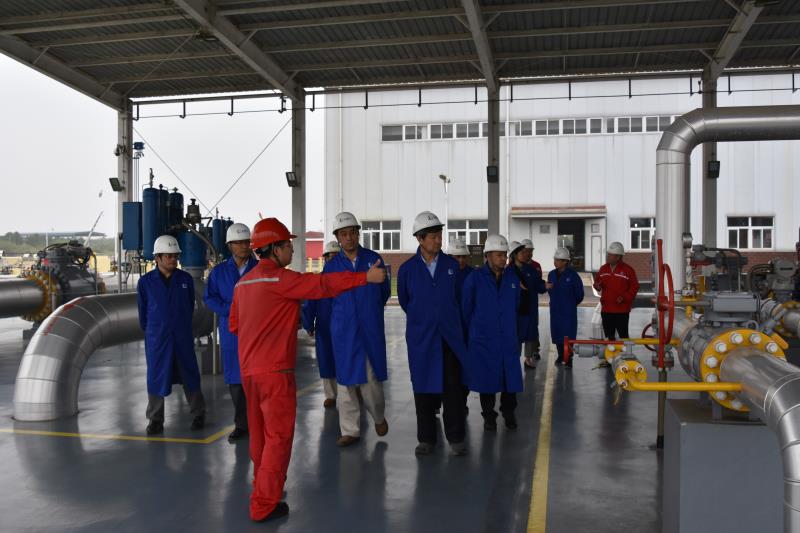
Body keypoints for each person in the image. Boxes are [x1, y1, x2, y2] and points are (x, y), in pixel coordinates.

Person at [229, 217, 386, 522]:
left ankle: (262, 485)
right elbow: (323, 285)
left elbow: (235, 325)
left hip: (249, 372)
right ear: (274, 249)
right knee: (278, 437)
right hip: (275, 372)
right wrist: (364, 278)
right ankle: (264, 504)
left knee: (259, 435)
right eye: (287, 245)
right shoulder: (281, 280)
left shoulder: (242, 283)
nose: (292, 249)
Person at [398, 212, 468, 456]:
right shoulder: (407, 270)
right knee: (423, 388)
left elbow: (459, 299)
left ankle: (456, 438)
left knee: (453, 389)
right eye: (433, 237)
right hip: (422, 338)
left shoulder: (452, 266)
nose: (438, 241)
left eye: (440, 235)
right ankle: (426, 439)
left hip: (449, 338)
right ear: (420, 239)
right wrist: (425, 318)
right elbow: (406, 301)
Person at [325, 211, 392, 447]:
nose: (349, 237)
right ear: (337, 237)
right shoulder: (331, 267)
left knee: (371, 380)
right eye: (343, 234)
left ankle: (378, 416)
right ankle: (350, 430)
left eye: (352, 232)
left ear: (358, 234)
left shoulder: (373, 259)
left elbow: (384, 292)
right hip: (344, 331)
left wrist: (369, 310)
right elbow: (327, 298)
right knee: (345, 383)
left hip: (368, 329)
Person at [137, 234, 206, 435]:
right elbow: (143, 313)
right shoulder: (146, 282)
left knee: (189, 373)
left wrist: (181, 326)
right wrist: (156, 331)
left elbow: (189, 306)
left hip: (182, 336)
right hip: (157, 338)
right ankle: (155, 419)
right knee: (156, 376)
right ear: (157, 257)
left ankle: (199, 414)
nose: (173, 259)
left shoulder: (185, 279)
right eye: (168, 256)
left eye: (175, 255)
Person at [203, 223, 258, 442]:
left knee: (256, 378)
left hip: (256, 331)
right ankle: (242, 424)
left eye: (246, 242)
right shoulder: (219, 272)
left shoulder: (260, 269)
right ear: (229, 246)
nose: (244, 246)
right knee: (235, 380)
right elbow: (209, 298)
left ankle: (258, 422)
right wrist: (231, 310)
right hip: (230, 332)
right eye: (238, 243)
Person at [461, 234, 522, 431]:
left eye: (504, 255)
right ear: (487, 255)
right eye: (498, 255)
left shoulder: (512, 279)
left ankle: (509, 412)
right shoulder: (475, 279)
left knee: (509, 378)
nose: (503, 259)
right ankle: (489, 416)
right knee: (486, 380)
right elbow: (466, 309)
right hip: (484, 340)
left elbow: (516, 304)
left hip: (507, 338)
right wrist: (478, 329)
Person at [301, 240, 342, 408]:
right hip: (325, 327)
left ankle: (352, 393)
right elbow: (309, 304)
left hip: (346, 327)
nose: (333, 259)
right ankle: (331, 395)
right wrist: (309, 324)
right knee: (326, 359)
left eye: (337, 256)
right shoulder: (318, 280)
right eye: (330, 256)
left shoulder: (348, 279)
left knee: (347, 358)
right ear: (325, 258)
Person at [508, 241, 546, 370]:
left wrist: (545, 286)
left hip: (530, 308)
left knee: (530, 333)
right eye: (522, 252)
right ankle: (515, 359)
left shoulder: (531, 269)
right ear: (514, 255)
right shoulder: (508, 271)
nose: (525, 254)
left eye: (526, 252)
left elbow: (539, 284)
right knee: (516, 334)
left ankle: (528, 359)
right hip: (515, 310)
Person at [593, 241, 640, 342]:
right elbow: (597, 282)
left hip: (621, 311)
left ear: (618, 257)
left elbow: (635, 287)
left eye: (610, 255)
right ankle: (609, 352)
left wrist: (624, 297)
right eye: (608, 254)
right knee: (608, 338)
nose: (608, 257)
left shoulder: (628, 270)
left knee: (623, 338)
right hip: (606, 310)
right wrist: (597, 286)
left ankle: (624, 352)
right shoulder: (603, 269)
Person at [546, 247, 585, 368]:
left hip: (568, 311)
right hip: (555, 310)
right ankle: (560, 355)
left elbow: (579, 294)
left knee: (568, 334)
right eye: (555, 259)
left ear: (565, 262)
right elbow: (550, 290)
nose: (555, 262)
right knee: (557, 333)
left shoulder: (573, 275)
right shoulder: (551, 274)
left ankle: (568, 358)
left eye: (558, 260)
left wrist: (571, 304)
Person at [521, 238, 545, 361]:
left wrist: (544, 287)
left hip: (532, 303)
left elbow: (539, 284)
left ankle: (534, 351)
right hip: (519, 304)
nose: (529, 253)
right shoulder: (513, 266)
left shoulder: (536, 266)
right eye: (526, 251)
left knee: (532, 327)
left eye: (531, 251)